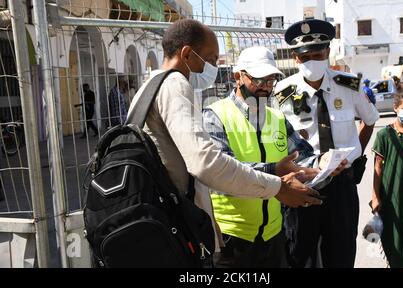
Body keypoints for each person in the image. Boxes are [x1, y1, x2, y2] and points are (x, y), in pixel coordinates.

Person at [128, 19, 324, 254]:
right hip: (190, 227)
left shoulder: (149, 86)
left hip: (261, 231)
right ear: (187, 54)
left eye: (271, 80)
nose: (213, 67)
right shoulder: (176, 85)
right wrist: (277, 187)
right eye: (211, 60)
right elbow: (206, 163)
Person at [203, 46, 346, 268]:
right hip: (231, 237)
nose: (266, 87)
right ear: (238, 76)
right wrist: (275, 171)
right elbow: (223, 172)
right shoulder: (215, 115)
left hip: (273, 235)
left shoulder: (276, 118)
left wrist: (322, 163)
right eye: (259, 79)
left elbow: (303, 154)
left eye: (271, 80)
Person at [274, 19, 380, 268]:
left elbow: (370, 120)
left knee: (341, 251)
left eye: (318, 54)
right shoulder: (283, 91)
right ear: (296, 58)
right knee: (300, 253)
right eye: (306, 56)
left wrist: (354, 155)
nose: (313, 61)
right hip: (303, 184)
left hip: (341, 185)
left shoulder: (349, 84)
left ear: (328, 52)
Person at [370, 88, 403, 268]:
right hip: (392, 197)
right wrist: (375, 196)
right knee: (394, 240)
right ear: (396, 107)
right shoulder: (385, 136)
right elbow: (377, 168)